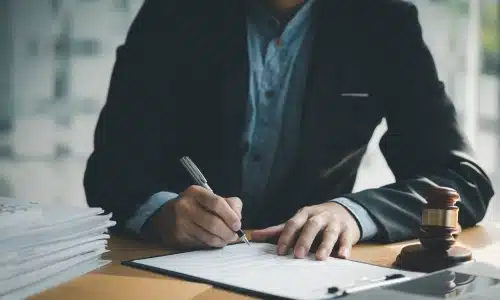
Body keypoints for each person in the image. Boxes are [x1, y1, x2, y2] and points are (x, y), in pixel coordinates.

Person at [84, 0, 494, 261]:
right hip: (164, 270)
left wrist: (353, 213)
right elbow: (109, 169)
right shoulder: (173, 13)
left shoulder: (383, 21)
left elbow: (463, 182)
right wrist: (159, 212)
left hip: (308, 270)